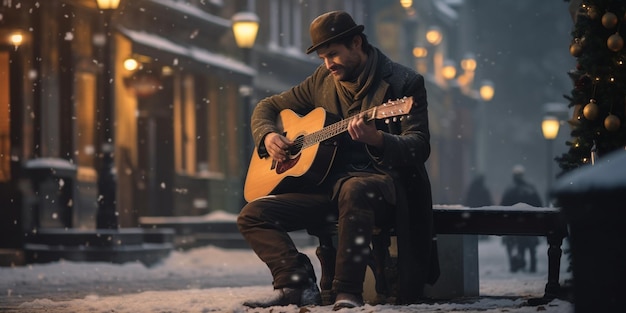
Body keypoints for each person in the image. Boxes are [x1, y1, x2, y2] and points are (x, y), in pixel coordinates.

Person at [237, 11, 439, 310]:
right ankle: (295, 284)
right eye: (322, 57)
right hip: (325, 188)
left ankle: (347, 292)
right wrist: (268, 135)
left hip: (382, 188)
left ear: (357, 43)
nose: (328, 64)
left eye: (333, 54)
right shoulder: (323, 79)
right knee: (253, 214)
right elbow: (268, 106)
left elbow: (418, 146)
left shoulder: (403, 82)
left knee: (354, 189)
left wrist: (379, 139)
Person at [500, 165, 543, 273]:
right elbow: (538, 204)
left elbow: (503, 205)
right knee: (531, 247)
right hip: (529, 223)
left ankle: (515, 264)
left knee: (514, 245)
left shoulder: (510, 190)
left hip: (513, 224)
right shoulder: (529, 189)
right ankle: (531, 265)